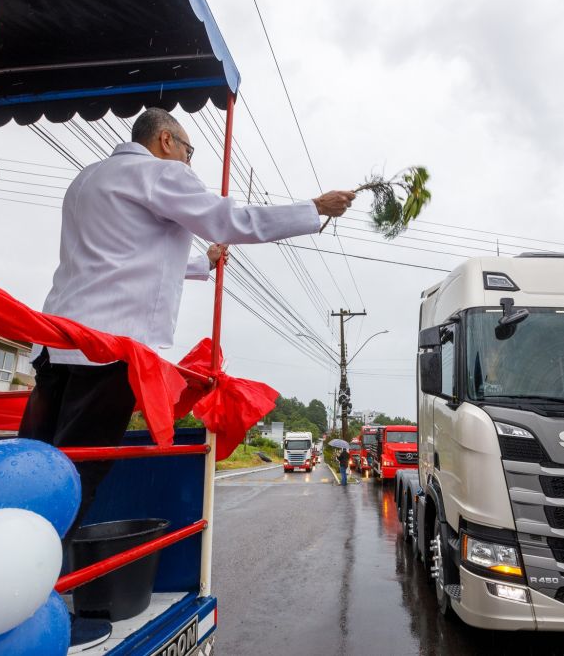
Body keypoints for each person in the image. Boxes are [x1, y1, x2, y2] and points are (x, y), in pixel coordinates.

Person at [18, 107, 355, 651]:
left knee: (35, 468)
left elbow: (127, 257)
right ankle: (33, 599)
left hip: (57, 344)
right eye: (190, 151)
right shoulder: (161, 173)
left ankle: (11, 575)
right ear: (167, 140)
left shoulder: (88, 178)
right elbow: (231, 220)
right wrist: (313, 209)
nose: (191, 162)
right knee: (75, 480)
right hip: (109, 351)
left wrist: (202, 264)